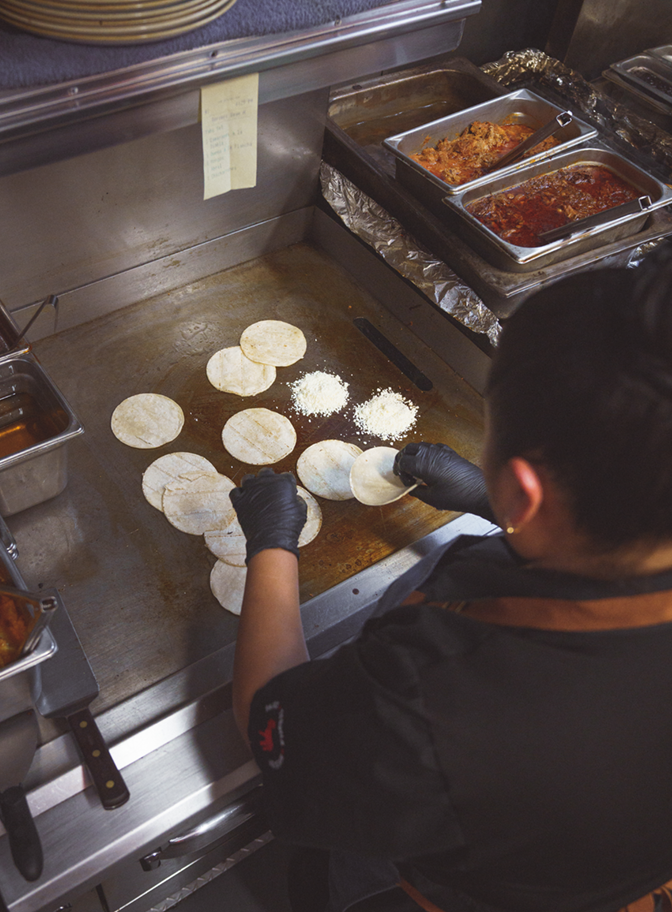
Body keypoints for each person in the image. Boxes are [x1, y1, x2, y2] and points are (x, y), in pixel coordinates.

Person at [228, 247, 672, 912]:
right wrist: (497, 509)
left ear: (526, 489)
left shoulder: (436, 706)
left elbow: (269, 717)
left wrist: (270, 543)